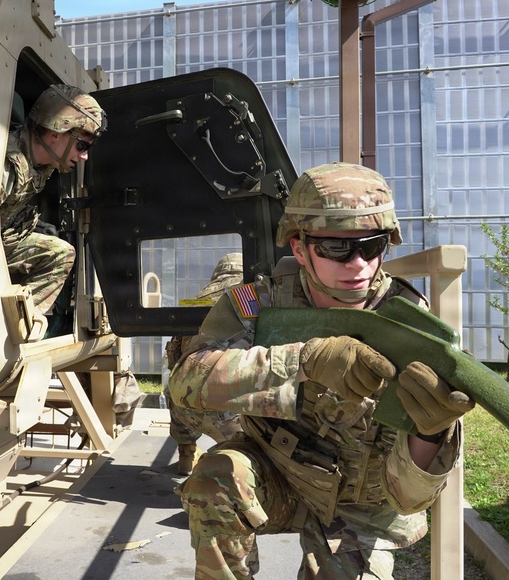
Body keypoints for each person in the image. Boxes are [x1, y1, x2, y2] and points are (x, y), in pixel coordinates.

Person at [169, 162, 475, 579]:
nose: (358, 265)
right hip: (278, 476)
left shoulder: (412, 327)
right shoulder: (260, 305)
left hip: (361, 507)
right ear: (299, 249)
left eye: (373, 246)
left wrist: (431, 434)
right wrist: (304, 361)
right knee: (214, 480)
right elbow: (186, 382)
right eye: (336, 248)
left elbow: (408, 499)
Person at [1, 84, 107, 320]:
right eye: (82, 145)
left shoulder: (44, 164)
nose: (84, 156)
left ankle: (21, 322)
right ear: (54, 133)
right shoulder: (5, 165)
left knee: (60, 253)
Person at [163, 252, 246, 475]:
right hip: (234, 415)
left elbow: (173, 360)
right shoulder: (253, 296)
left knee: (173, 389)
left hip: (188, 411)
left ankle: (187, 454)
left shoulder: (196, 299)